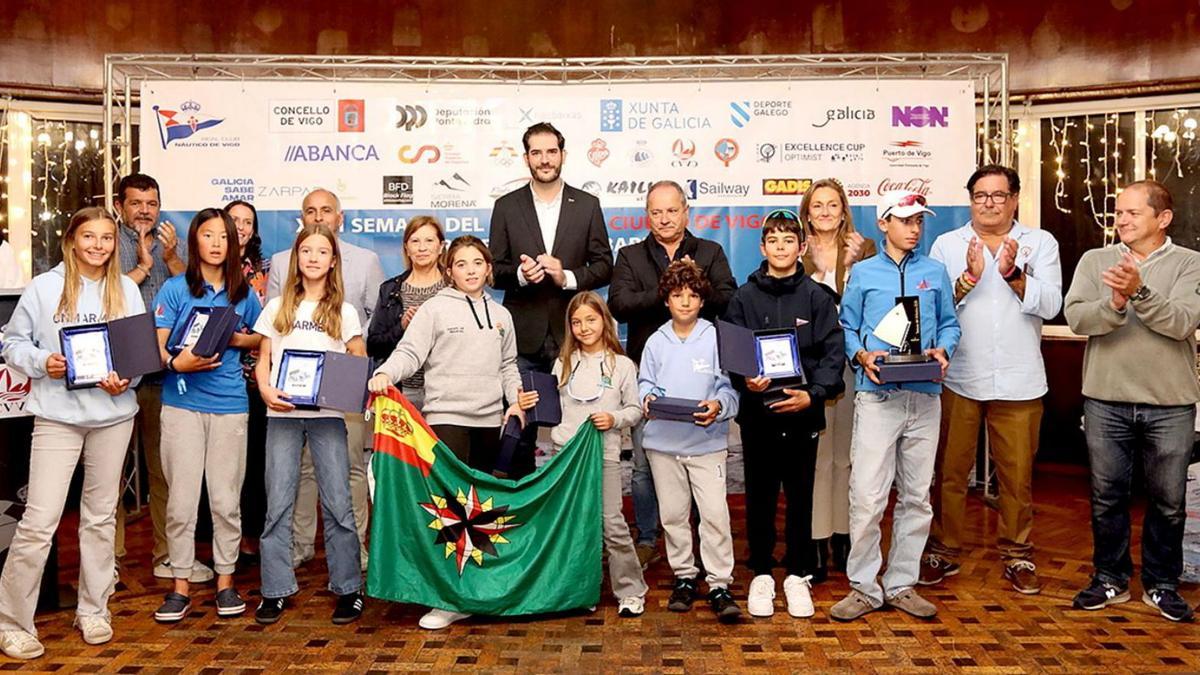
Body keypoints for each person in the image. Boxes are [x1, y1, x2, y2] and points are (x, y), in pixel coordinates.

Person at [368, 235, 535, 631]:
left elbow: (508, 365)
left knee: (481, 515)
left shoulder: (501, 315)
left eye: (478, 263)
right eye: (461, 264)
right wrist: (384, 373)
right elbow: (410, 352)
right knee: (450, 514)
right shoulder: (434, 309)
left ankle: (476, 592)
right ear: (449, 271)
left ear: (489, 269)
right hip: (446, 420)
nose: (470, 270)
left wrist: (515, 400)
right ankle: (445, 599)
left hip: (489, 423)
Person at [0, 207, 144, 659]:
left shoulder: (126, 289)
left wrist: (127, 379)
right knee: (39, 521)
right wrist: (43, 362)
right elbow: (12, 342)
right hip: (57, 417)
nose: (98, 246)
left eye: (106, 238)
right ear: (72, 240)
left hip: (114, 417)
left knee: (100, 518)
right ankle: (11, 622)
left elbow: (138, 357)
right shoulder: (44, 287)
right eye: (89, 237)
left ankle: (94, 609)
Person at [921, 165, 1063, 595]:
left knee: (1016, 478)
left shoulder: (1040, 243)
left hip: (1020, 379)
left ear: (1015, 199)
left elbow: (1052, 305)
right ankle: (943, 550)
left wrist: (1013, 274)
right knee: (949, 472)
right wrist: (967, 279)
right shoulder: (947, 244)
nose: (989, 203)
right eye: (980, 195)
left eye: (999, 195)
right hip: (959, 376)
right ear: (971, 201)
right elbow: (932, 308)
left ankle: (1018, 554)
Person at [1064, 180, 1200, 623]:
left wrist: (1140, 292)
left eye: (1132, 213)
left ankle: (1162, 585)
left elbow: (1181, 323)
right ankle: (1110, 579)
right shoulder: (1095, 260)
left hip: (1170, 403)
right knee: (1106, 498)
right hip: (1105, 401)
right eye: (1118, 212)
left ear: (1163, 219)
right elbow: (1077, 317)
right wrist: (1115, 303)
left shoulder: (1191, 264)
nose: (1121, 220)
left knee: (1168, 502)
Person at [831, 190, 960, 622]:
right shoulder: (863, 273)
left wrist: (943, 349)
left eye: (919, 221)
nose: (914, 229)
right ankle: (865, 588)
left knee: (917, 497)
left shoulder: (935, 272)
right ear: (883, 224)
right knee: (867, 497)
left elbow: (950, 324)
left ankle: (902, 583)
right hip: (877, 398)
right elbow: (847, 326)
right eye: (905, 221)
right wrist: (861, 355)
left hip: (925, 397)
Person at [608, 179, 735, 568]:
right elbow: (619, 305)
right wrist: (669, 288)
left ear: (686, 212)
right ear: (647, 215)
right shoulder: (630, 256)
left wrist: (695, 285)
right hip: (650, 377)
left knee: (699, 472)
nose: (664, 218)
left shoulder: (710, 251)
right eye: (656, 212)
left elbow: (728, 298)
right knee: (644, 467)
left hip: (701, 380)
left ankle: (701, 551)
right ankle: (648, 538)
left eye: (672, 210)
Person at [725, 209, 846, 619]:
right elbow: (734, 356)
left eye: (788, 240)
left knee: (800, 496)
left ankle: (797, 573)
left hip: (802, 416)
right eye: (773, 240)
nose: (781, 247)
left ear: (802, 246)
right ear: (762, 248)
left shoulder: (818, 298)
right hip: (758, 416)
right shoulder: (742, 298)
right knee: (759, 495)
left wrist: (812, 395)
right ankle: (761, 572)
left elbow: (832, 356)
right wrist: (747, 380)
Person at [150, 208, 263, 623]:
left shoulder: (243, 293)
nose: (216, 243)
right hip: (181, 404)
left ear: (234, 244)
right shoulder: (174, 289)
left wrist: (235, 339)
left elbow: (261, 337)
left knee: (225, 500)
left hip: (230, 405)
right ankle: (180, 586)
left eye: (224, 236)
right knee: (181, 501)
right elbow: (156, 348)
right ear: (194, 240)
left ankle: (225, 582)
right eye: (208, 235)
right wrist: (176, 363)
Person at [253, 223, 366, 626]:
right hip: (282, 415)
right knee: (278, 505)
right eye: (306, 251)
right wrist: (266, 390)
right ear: (296, 258)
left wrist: (338, 385)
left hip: (328, 418)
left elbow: (357, 360)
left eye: (322, 251)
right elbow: (263, 359)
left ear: (333, 261)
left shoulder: (344, 311)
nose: (313, 257)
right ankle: (275, 590)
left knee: (338, 504)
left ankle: (348, 589)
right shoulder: (277, 307)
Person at [267, 189, 384, 570]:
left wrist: (343, 372)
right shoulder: (282, 261)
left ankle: (356, 547)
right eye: (311, 211)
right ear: (301, 218)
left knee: (350, 468)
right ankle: (301, 545)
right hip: (292, 395)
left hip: (341, 391)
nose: (319, 216)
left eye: (327, 210)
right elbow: (274, 330)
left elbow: (375, 321)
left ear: (340, 217)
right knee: (301, 471)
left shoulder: (365, 260)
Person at [489, 122, 613, 477]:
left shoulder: (587, 205)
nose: (545, 160)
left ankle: (572, 503)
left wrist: (567, 277)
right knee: (521, 431)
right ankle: (524, 505)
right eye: (537, 153)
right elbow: (494, 269)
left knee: (577, 427)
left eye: (551, 152)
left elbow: (605, 265)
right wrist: (520, 274)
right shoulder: (506, 206)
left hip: (575, 336)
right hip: (523, 339)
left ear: (563, 155)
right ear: (526, 158)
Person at [638, 260, 742, 623]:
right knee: (673, 516)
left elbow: (730, 389)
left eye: (693, 295)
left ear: (702, 300)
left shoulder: (716, 338)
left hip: (706, 445)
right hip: (663, 445)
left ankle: (719, 583)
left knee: (714, 516)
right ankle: (684, 575)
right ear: (666, 299)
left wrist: (719, 406)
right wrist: (647, 399)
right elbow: (644, 383)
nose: (685, 302)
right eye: (677, 295)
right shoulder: (655, 341)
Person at [113, 174, 203, 582]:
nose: (145, 211)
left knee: (164, 470)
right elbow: (101, 295)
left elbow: (195, 296)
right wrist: (142, 268)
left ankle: (167, 555)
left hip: (162, 375)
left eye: (151, 203)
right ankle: (109, 560)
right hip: (115, 375)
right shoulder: (106, 242)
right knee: (110, 474)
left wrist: (169, 260)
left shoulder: (176, 245)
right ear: (120, 206)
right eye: (136, 203)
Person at [550, 291, 648, 617]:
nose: (584, 328)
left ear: (604, 320)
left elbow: (634, 410)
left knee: (612, 523)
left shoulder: (622, 365)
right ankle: (579, 589)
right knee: (574, 524)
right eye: (576, 322)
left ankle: (630, 591)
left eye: (591, 319)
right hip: (566, 457)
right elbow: (551, 410)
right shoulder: (562, 363)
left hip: (604, 455)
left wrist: (614, 419)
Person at [799, 178, 876, 578]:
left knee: (846, 457)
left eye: (833, 204)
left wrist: (852, 268)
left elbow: (870, 310)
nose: (826, 212)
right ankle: (816, 538)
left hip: (851, 363)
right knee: (817, 457)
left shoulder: (865, 251)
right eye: (818, 205)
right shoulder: (796, 251)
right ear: (807, 213)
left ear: (844, 210)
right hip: (809, 369)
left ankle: (844, 537)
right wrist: (818, 270)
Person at [225, 200, 269, 565]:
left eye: (247, 222)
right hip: (215, 378)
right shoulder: (206, 269)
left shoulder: (264, 271)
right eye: (234, 220)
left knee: (254, 463)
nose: (240, 227)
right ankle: (223, 540)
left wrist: (238, 339)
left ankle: (250, 536)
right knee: (223, 465)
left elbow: (267, 326)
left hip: (255, 381)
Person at [366, 216, 447, 411]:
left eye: (429, 240)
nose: (422, 248)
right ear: (406, 248)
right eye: (415, 241)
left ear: (441, 246)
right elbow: (374, 346)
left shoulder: (453, 288)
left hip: (444, 392)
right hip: (402, 391)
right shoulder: (390, 290)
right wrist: (401, 326)